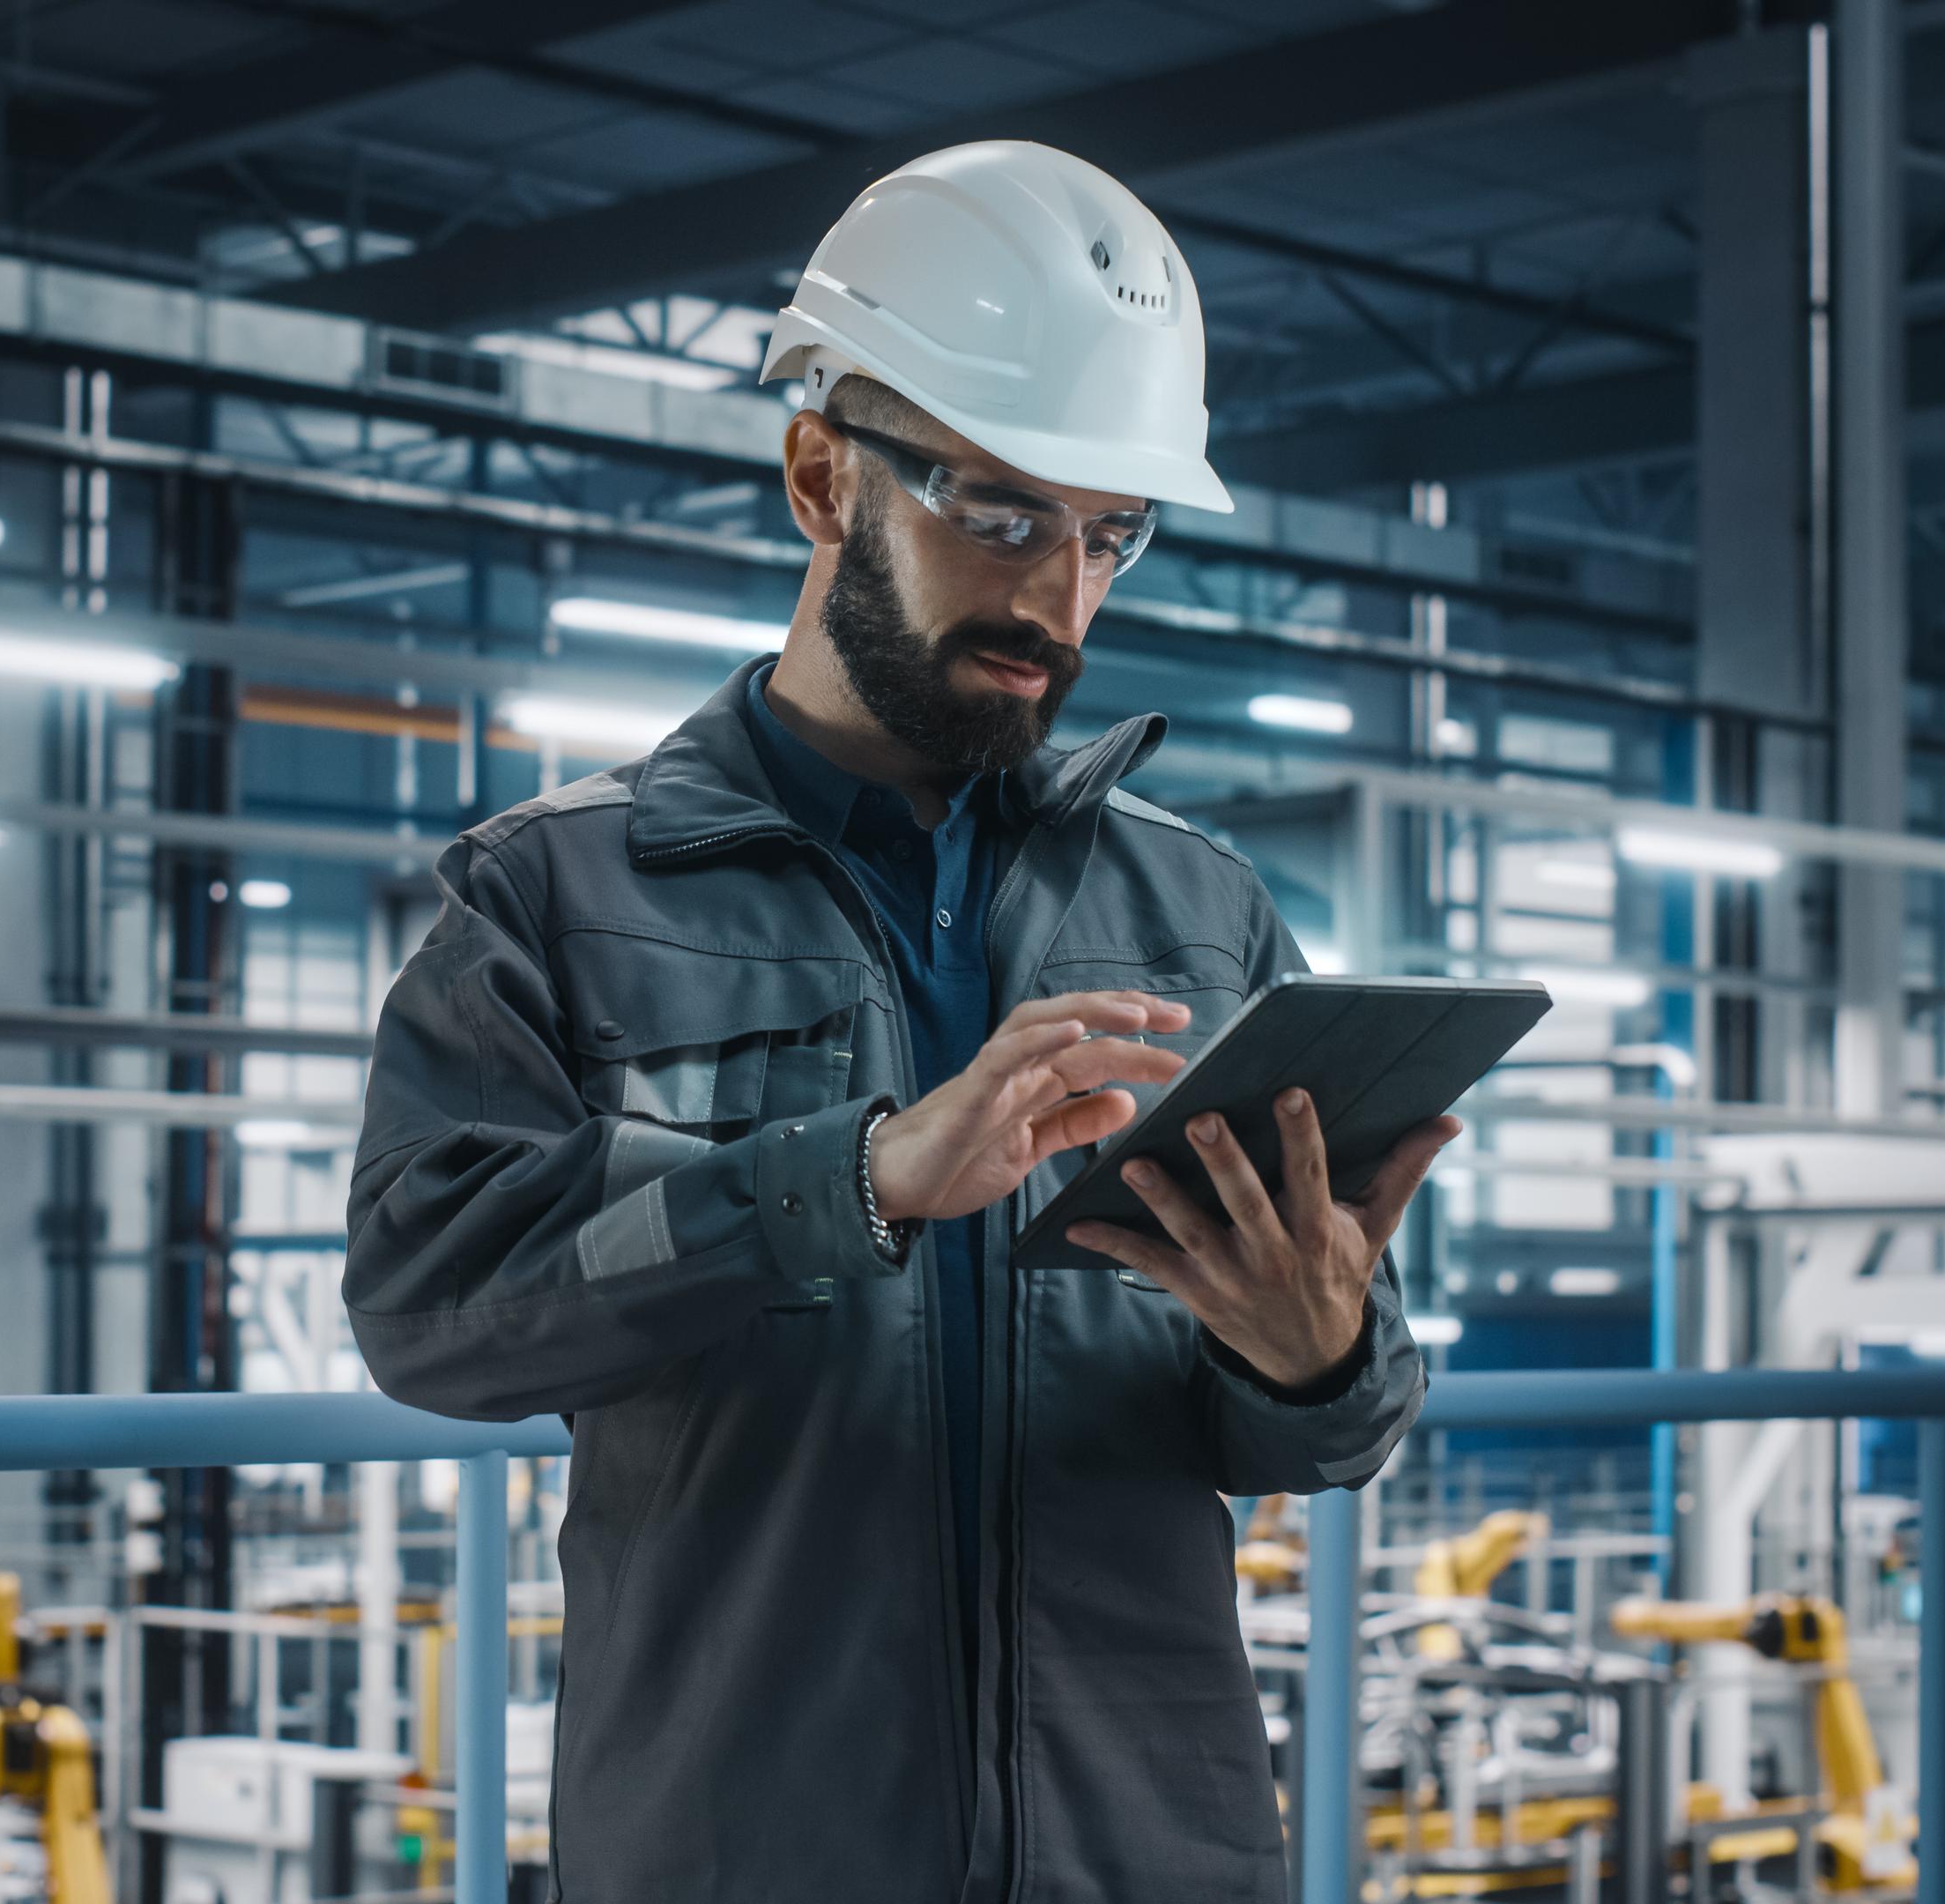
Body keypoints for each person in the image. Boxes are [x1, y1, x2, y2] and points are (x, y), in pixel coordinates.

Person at [346, 140, 1457, 1901]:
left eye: (1113, 534)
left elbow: (1303, 1435)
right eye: (1001, 517)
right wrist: (849, 1179)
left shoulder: (1202, 915)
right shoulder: (559, 899)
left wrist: (1317, 1359)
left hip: (1147, 1858)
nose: (1061, 604)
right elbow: (431, 1310)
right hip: (747, 1854)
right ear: (818, 475)